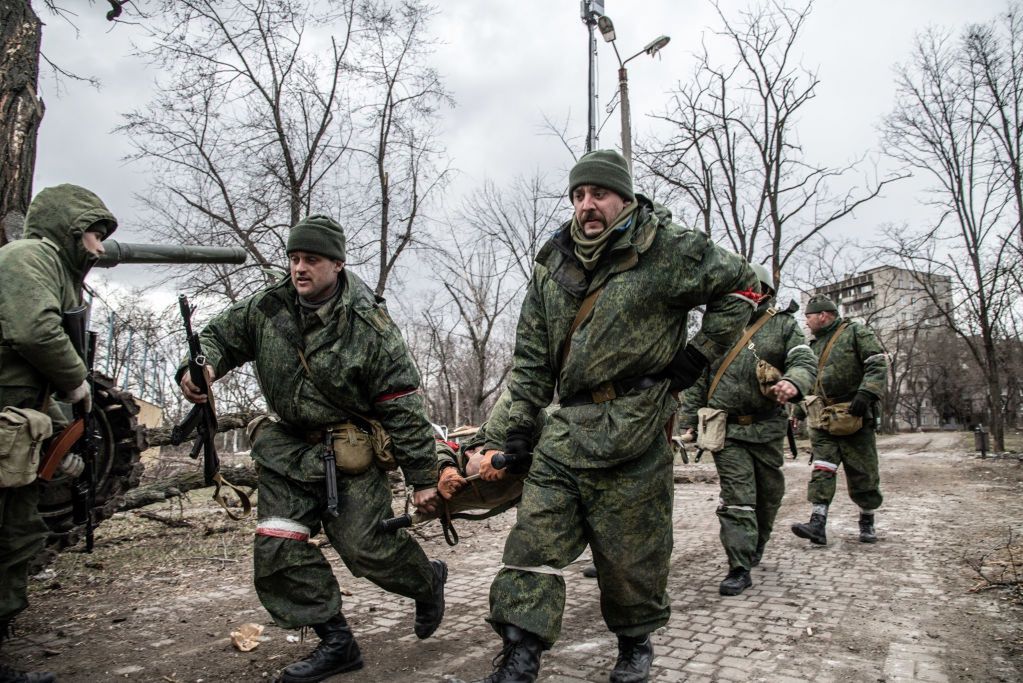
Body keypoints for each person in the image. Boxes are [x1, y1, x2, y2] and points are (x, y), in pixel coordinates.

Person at [474, 150, 757, 683]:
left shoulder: (665, 248)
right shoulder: (551, 266)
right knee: (534, 542)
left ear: (624, 199)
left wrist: (698, 355)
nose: (587, 206)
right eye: (579, 196)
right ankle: (520, 655)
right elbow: (532, 357)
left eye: (598, 194)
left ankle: (635, 642)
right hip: (565, 430)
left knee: (632, 556)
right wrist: (518, 425)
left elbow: (746, 287)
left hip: (638, 425)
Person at [177, 214, 445, 683]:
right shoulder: (269, 306)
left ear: (337, 264)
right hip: (289, 450)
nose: (300, 268)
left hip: (350, 452)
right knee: (278, 547)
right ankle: (337, 642)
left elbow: (402, 406)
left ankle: (427, 582)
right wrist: (201, 368)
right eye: (294, 258)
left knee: (367, 549)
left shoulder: (370, 326)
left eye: (312, 260)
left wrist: (424, 479)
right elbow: (220, 336)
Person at [0, 184, 116, 683]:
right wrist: (77, 383)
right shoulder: (30, 256)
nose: (100, 247)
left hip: (18, 432)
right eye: (94, 234)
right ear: (71, 231)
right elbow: (32, 331)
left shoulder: (57, 272)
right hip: (8, 426)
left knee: (16, 538)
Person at [679, 263, 817, 596]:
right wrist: (689, 423)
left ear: (766, 293)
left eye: (750, 287)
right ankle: (738, 565)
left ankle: (756, 544)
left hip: (767, 427)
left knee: (768, 496)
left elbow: (803, 360)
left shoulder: (784, 326)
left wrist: (793, 382)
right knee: (738, 498)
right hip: (728, 432)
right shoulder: (719, 327)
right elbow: (699, 377)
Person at [791, 294, 887, 546]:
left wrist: (867, 392)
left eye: (809, 316)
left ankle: (867, 520)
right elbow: (810, 381)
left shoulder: (856, 332)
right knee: (823, 467)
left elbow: (876, 363)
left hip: (854, 415)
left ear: (823, 315)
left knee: (863, 472)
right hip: (822, 417)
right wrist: (798, 412)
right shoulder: (813, 345)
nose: (807, 321)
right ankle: (817, 523)